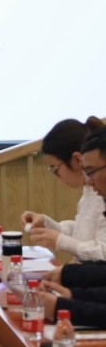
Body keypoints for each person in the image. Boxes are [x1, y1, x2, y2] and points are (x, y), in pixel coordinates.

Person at [37, 126, 106, 324]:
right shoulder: (94, 191)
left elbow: (102, 256)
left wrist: (64, 305)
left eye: (90, 171)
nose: (89, 182)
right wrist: (72, 293)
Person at [20, 116, 106, 261]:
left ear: (77, 160)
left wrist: (61, 241)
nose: (56, 176)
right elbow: (83, 232)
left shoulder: (101, 192)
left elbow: (103, 253)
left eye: (55, 169)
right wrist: (46, 223)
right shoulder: (89, 190)